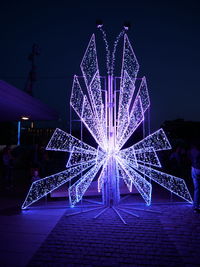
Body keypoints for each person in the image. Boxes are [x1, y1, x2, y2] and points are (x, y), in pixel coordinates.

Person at [189, 142, 200, 213]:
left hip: (193, 168)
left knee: (197, 189)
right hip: (198, 168)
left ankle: (196, 206)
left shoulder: (192, 150)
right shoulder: (198, 151)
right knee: (197, 189)